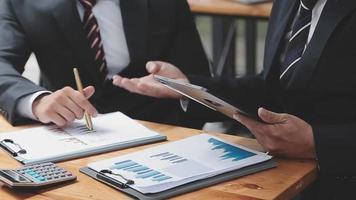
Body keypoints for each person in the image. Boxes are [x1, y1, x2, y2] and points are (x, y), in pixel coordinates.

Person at [112, 0, 356, 199]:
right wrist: (188, 87)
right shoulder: (290, 4)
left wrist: (318, 143)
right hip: (290, 180)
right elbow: (274, 88)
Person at [0, 0, 209, 127]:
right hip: (68, 130)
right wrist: (37, 102)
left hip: (160, 130)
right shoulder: (20, 3)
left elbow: (197, 80)